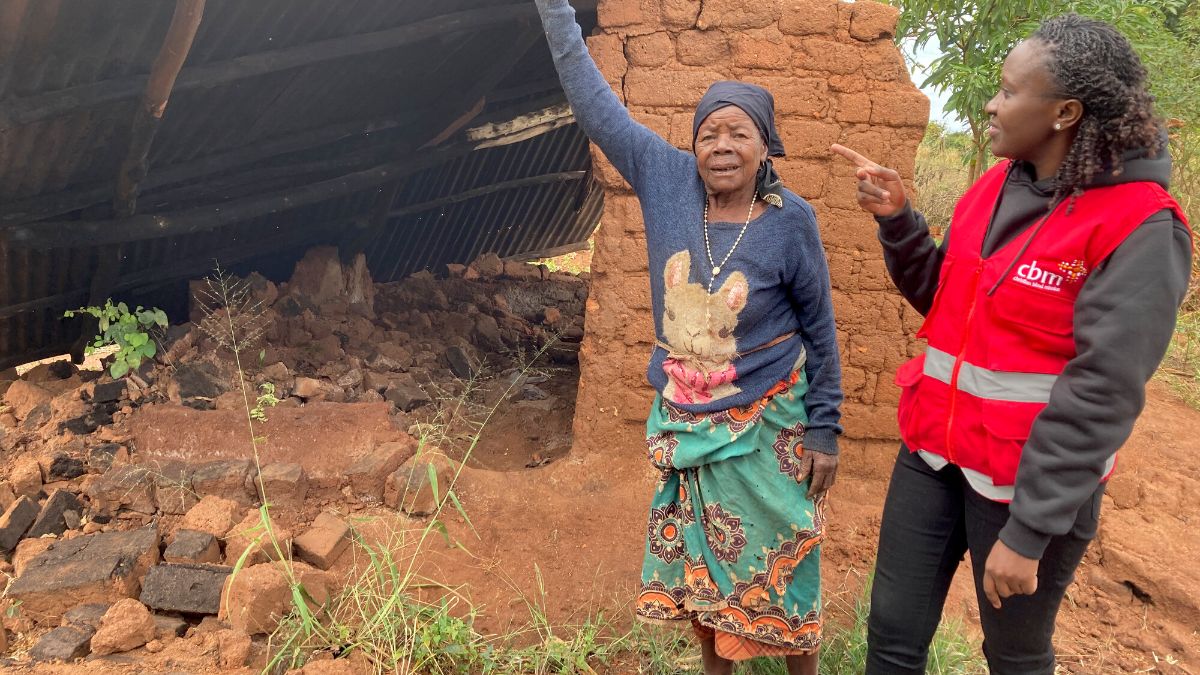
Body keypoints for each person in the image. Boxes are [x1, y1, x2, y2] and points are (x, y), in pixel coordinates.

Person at [832, 14, 1193, 675]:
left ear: (1063, 111)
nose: (991, 104)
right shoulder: (996, 185)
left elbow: (1103, 393)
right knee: (890, 636)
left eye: (1006, 90)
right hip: (932, 456)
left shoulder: (1139, 224)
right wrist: (899, 223)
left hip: (1026, 486)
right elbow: (951, 301)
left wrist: (1028, 532)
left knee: (1014, 654)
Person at [533, 1, 844, 672]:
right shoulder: (664, 177)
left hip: (773, 419)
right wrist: (554, 10)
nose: (721, 147)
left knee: (790, 554)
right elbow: (591, 100)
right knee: (701, 562)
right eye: (709, 134)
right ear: (692, 145)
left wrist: (826, 427)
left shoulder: (792, 223)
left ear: (766, 146)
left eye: (738, 134)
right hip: (690, 415)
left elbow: (820, 327)